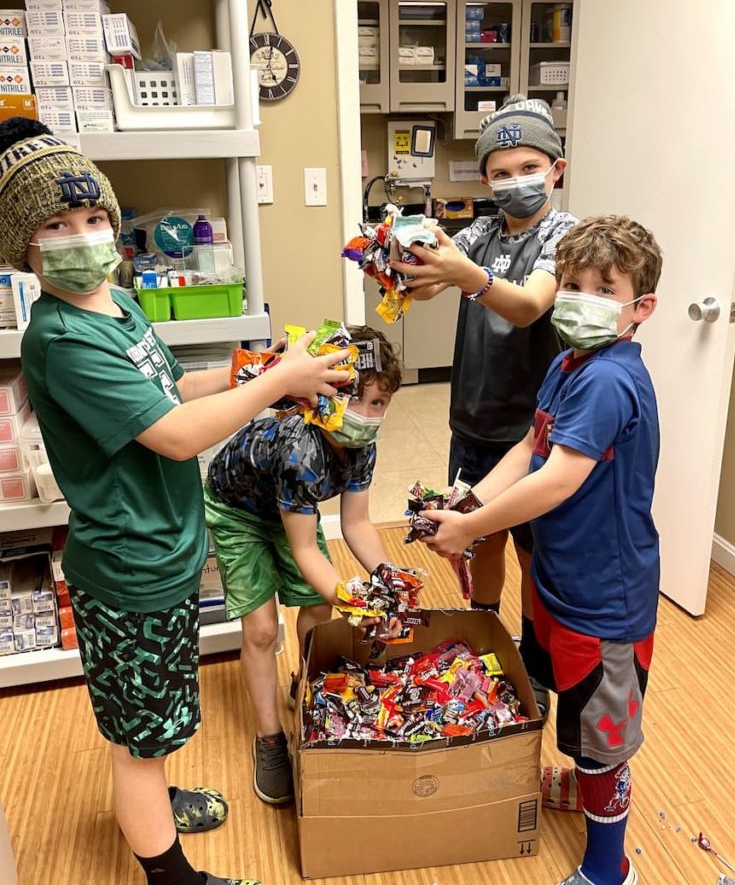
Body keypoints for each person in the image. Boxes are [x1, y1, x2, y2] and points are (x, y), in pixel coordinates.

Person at [0, 118, 349, 885]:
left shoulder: (117, 305)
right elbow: (176, 436)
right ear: (22, 247)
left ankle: (154, 786)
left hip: (163, 551)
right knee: (139, 742)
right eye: (55, 226)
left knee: (151, 718)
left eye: (94, 218)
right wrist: (276, 385)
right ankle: (171, 874)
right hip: (129, 570)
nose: (82, 237)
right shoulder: (61, 338)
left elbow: (172, 389)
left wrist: (251, 370)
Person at [422, 215, 663, 885]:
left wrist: (470, 531)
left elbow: (557, 480)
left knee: (604, 741)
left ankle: (609, 868)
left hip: (603, 597)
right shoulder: (568, 363)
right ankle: (581, 781)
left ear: (640, 307)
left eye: (603, 288)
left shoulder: (611, 380)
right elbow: (532, 448)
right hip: (558, 582)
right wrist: (471, 501)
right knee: (577, 710)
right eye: (574, 284)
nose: (582, 298)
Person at [391, 94, 577, 716]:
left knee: (533, 549)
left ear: (557, 167)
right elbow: (434, 273)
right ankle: (484, 630)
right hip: (472, 416)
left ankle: (534, 655)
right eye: (499, 172)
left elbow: (528, 305)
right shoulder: (483, 230)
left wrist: (466, 276)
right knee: (479, 538)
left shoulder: (566, 236)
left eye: (528, 167)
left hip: (533, 426)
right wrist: (398, 262)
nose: (514, 181)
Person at [204, 326, 402, 805]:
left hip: (294, 509)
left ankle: (305, 683)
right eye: (358, 400)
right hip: (240, 512)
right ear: (326, 393)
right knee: (261, 630)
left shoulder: (363, 446)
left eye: (379, 404)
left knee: (318, 605)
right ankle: (270, 739)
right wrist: (356, 599)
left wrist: (390, 581)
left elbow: (356, 525)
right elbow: (306, 551)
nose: (368, 416)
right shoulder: (301, 451)